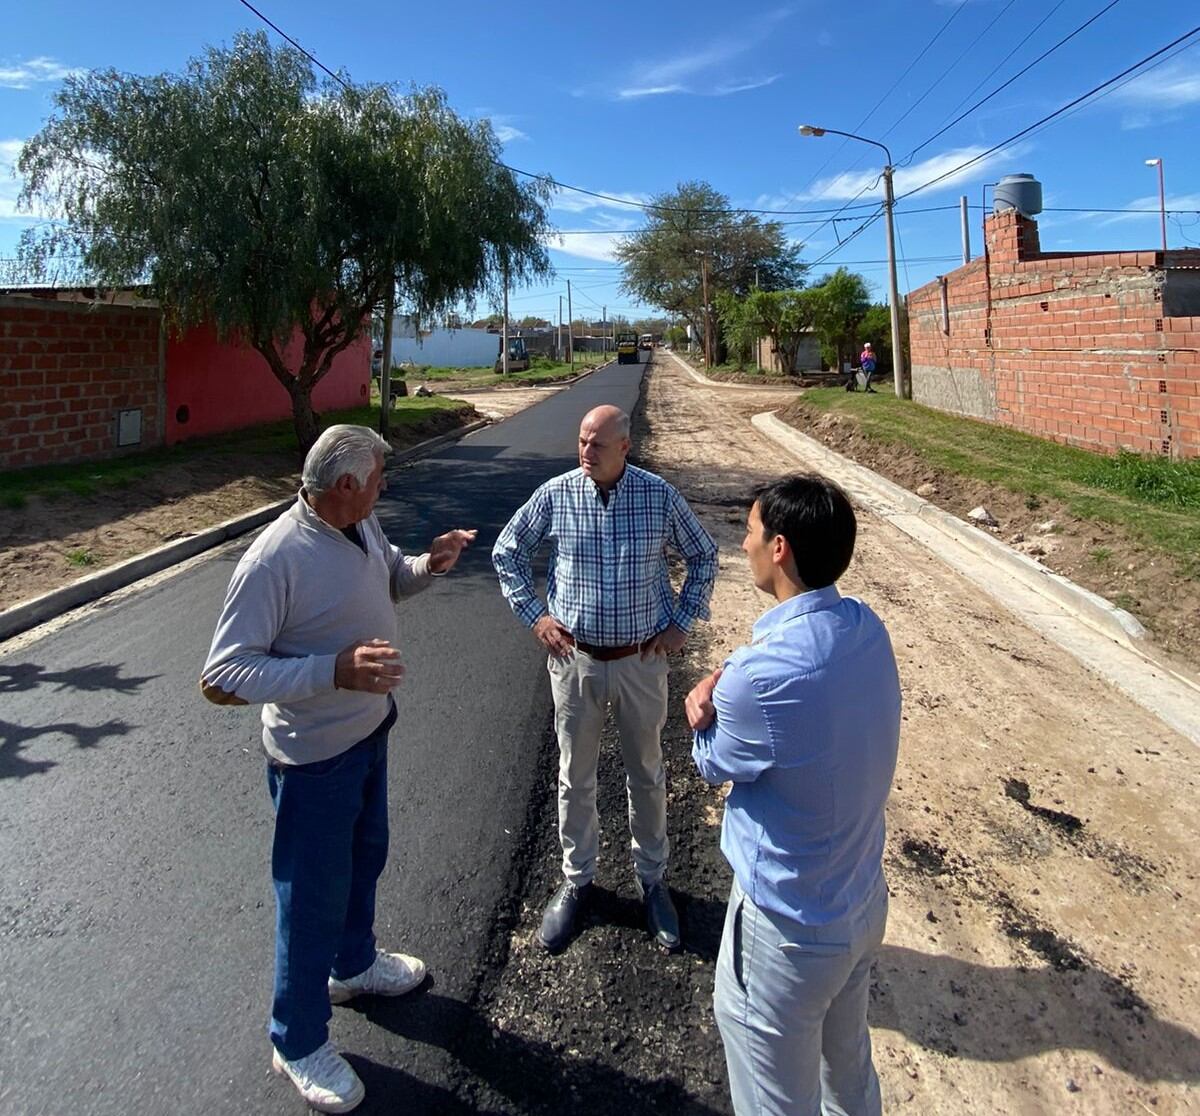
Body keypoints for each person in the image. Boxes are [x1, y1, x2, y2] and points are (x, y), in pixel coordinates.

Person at [200, 424, 476, 1114]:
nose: (386, 486)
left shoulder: (360, 520)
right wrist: (334, 672)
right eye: (379, 478)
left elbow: (386, 576)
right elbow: (221, 676)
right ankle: (296, 1040)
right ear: (346, 485)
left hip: (369, 731)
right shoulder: (274, 560)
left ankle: (351, 965)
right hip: (313, 761)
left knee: (364, 860)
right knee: (311, 895)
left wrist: (429, 566)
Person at [686, 473, 901, 1116]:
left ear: (779, 548)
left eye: (749, 532)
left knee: (775, 1098)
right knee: (850, 1074)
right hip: (861, 899)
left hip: (787, 929)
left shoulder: (762, 674)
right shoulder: (866, 626)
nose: (743, 544)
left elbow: (712, 763)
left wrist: (703, 702)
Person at [493, 404, 718, 953]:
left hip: (642, 661)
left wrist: (682, 624)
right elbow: (507, 551)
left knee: (646, 771)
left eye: (597, 443)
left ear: (625, 446)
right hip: (576, 663)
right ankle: (577, 882)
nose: (585, 451)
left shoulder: (657, 496)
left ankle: (653, 881)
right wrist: (536, 616)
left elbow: (705, 556)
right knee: (576, 776)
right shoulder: (555, 494)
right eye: (581, 441)